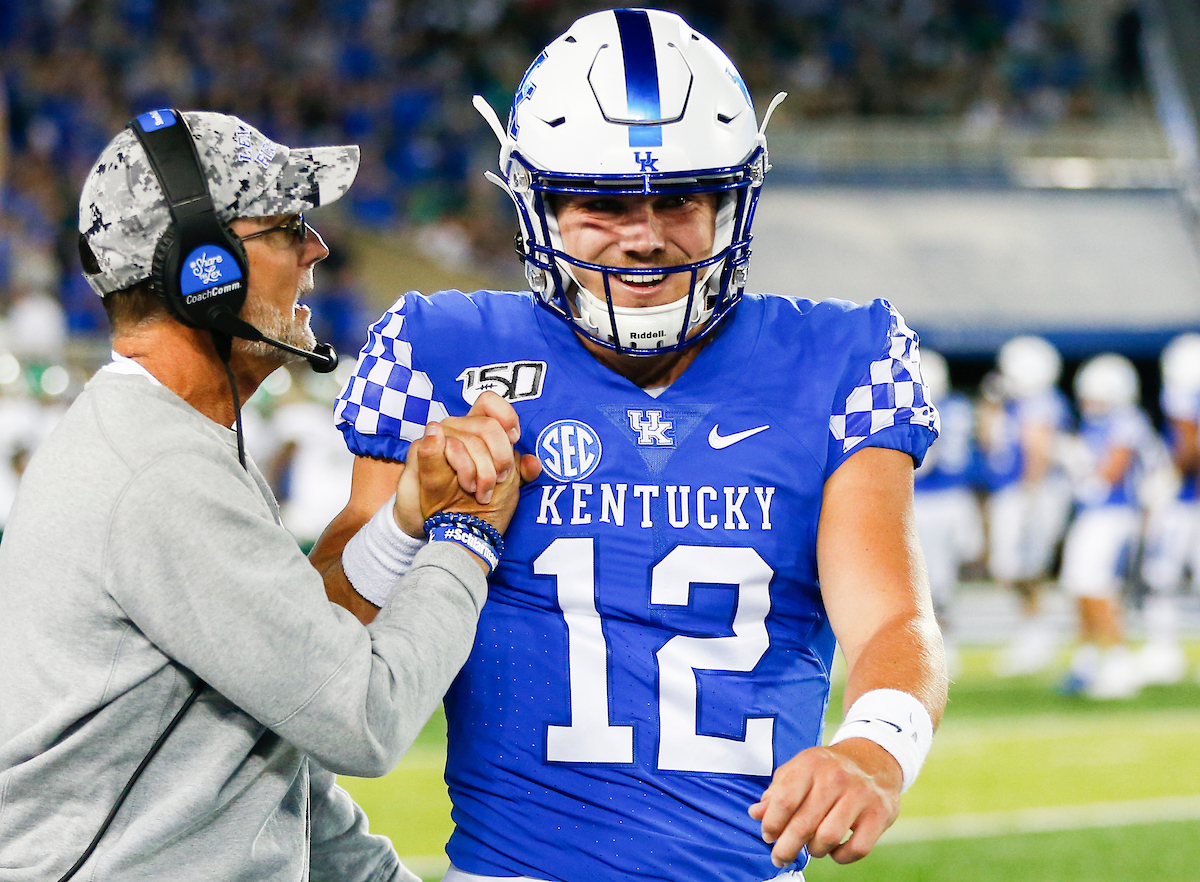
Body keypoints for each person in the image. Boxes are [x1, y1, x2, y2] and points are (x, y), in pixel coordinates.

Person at [313, 10, 948, 881]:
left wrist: (877, 747)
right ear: (537, 203)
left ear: (733, 200)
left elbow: (893, 618)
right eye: (603, 203)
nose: (645, 235)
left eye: (681, 199)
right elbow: (328, 640)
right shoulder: (439, 347)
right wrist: (404, 517)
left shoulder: (841, 357)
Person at [0, 110, 532, 881]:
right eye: (288, 227)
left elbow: (257, 754)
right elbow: (364, 716)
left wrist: (406, 519)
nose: (317, 249)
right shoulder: (161, 473)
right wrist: (466, 534)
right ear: (201, 270)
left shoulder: (166, 444)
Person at [1057, 353, 1156, 699]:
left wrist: (1077, 468)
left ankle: (1119, 665)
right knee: (1078, 586)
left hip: (1113, 515)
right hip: (1095, 515)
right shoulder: (1098, 423)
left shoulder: (1127, 421)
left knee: (1097, 587)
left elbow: (1108, 476)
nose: (1088, 403)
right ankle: (1086, 662)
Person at [978, 334, 1074, 676]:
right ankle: (1033, 631)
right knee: (1009, 568)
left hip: (1030, 492)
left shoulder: (1041, 402)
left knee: (1024, 567)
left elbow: (1037, 448)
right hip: (1015, 491)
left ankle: (1038, 635)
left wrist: (1029, 493)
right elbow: (988, 441)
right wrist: (990, 404)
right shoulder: (1013, 404)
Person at [912, 350, 984, 676]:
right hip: (958, 498)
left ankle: (940, 648)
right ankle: (945, 646)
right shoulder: (960, 407)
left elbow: (923, 464)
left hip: (929, 501)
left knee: (928, 581)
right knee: (942, 581)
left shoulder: (924, 408)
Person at [1138, 332, 1200, 684]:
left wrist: (1168, 481)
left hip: (1187, 502)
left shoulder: (1182, 392)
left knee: (1161, 576)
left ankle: (1164, 652)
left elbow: (1188, 448)